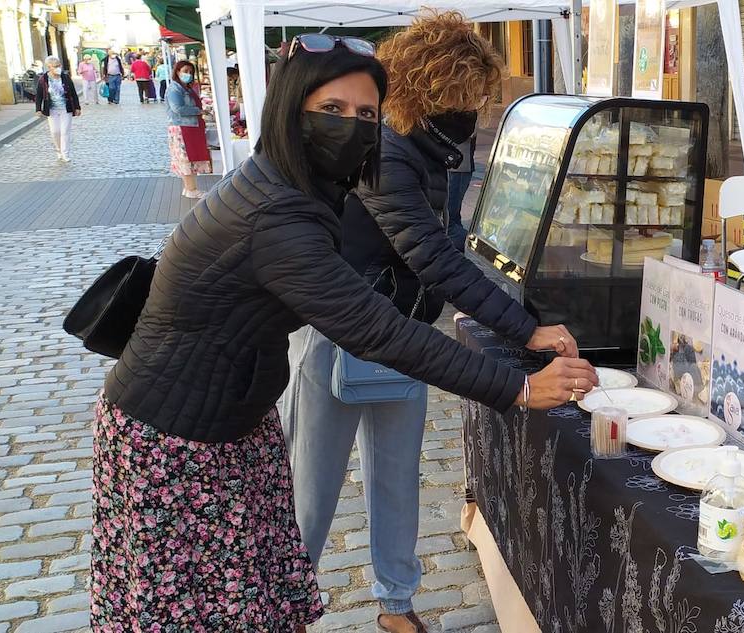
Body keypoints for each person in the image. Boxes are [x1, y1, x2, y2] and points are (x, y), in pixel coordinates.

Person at [88, 35, 597, 632]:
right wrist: (517, 387)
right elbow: (375, 326)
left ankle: (390, 604)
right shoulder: (275, 214)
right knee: (202, 607)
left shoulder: (295, 188)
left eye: (365, 115)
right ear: (289, 107)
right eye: (332, 111)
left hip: (231, 423)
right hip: (176, 440)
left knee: (265, 585)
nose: (353, 127)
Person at [280, 17, 571, 633]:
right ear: (430, 89)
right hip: (343, 335)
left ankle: (396, 605)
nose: (472, 110)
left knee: (396, 479)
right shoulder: (383, 150)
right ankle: (281, 606)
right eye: (463, 97)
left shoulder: (428, 147)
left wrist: (510, 299)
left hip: (405, 336)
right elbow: (433, 257)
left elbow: (450, 243)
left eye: (476, 99)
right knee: (311, 488)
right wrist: (523, 328)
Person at [166, 60, 212, 199]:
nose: (188, 74)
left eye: (191, 72)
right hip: (182, 127)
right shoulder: (175, 88)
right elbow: (178, 108)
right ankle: (191, 189)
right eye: (185, 71)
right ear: (178, 71)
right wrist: (198, 111)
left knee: (188, 159)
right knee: (186, 159)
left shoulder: (185, 88)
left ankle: (188, 188)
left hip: (189, 126)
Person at [35, 56, 80, 162]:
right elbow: (39, 95)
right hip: (52, 109)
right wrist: (38, 109)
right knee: (55, 131)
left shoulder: (65, 77)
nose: (57, 68)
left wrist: (77, 107)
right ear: (49, 67)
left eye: (58, 65)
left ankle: (65, 153)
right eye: (55, 66)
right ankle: (59, 150)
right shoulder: (44, 79)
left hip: (65, 108)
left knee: (65, 131)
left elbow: (73, 93)